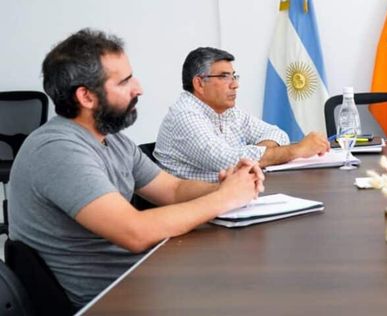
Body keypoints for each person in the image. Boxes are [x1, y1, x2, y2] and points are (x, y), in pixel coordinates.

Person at [8, 29, 265, 308]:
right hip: (110, 300)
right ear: (86, 97)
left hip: (141, 277)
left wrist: (229, 186)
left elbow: (173, 189)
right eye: (124, 81)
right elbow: (135, 232)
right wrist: (224, 199)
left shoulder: (111, 138)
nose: (138, 88)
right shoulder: (57, 149)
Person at [154, 47, 330, 182]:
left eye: (234, 76)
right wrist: (297, 150)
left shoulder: (228, 112)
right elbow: (227, 160)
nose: (234, 85)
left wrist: (255, 157)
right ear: (199, 84)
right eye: (224, 77)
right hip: (194, 214)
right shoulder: (185, 115)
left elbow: (277, 133)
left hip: (228, 201)